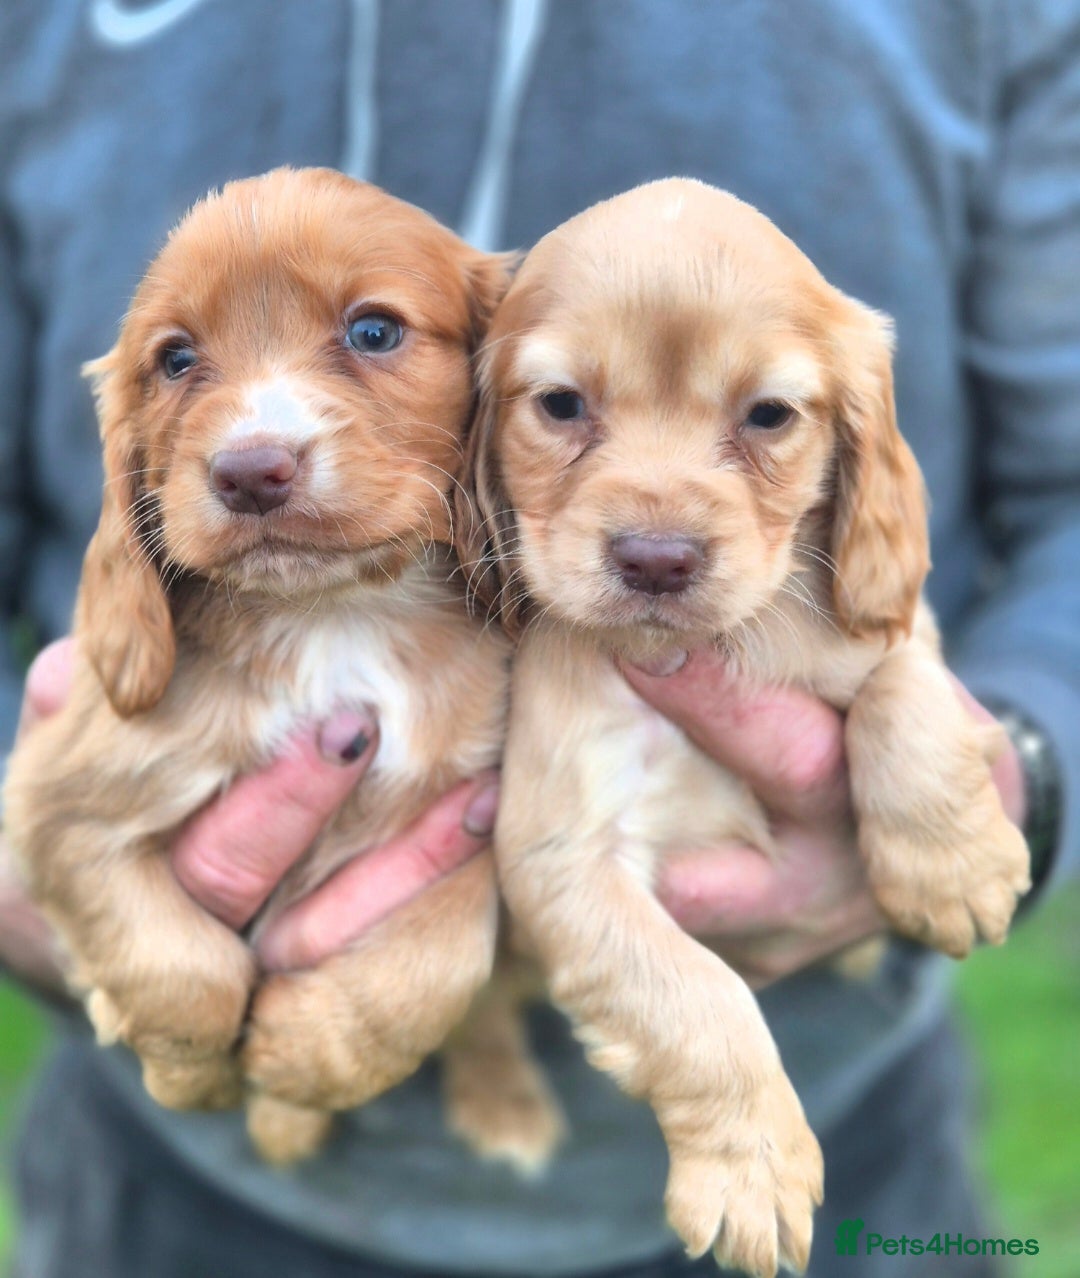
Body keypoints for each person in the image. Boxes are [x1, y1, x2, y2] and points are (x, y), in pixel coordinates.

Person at [1, 2, 1076, 1276]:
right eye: (558, 406)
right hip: (170, 1187)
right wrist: (55, 871)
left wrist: (1019, 764)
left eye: (374, 334)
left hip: (845, 1139)